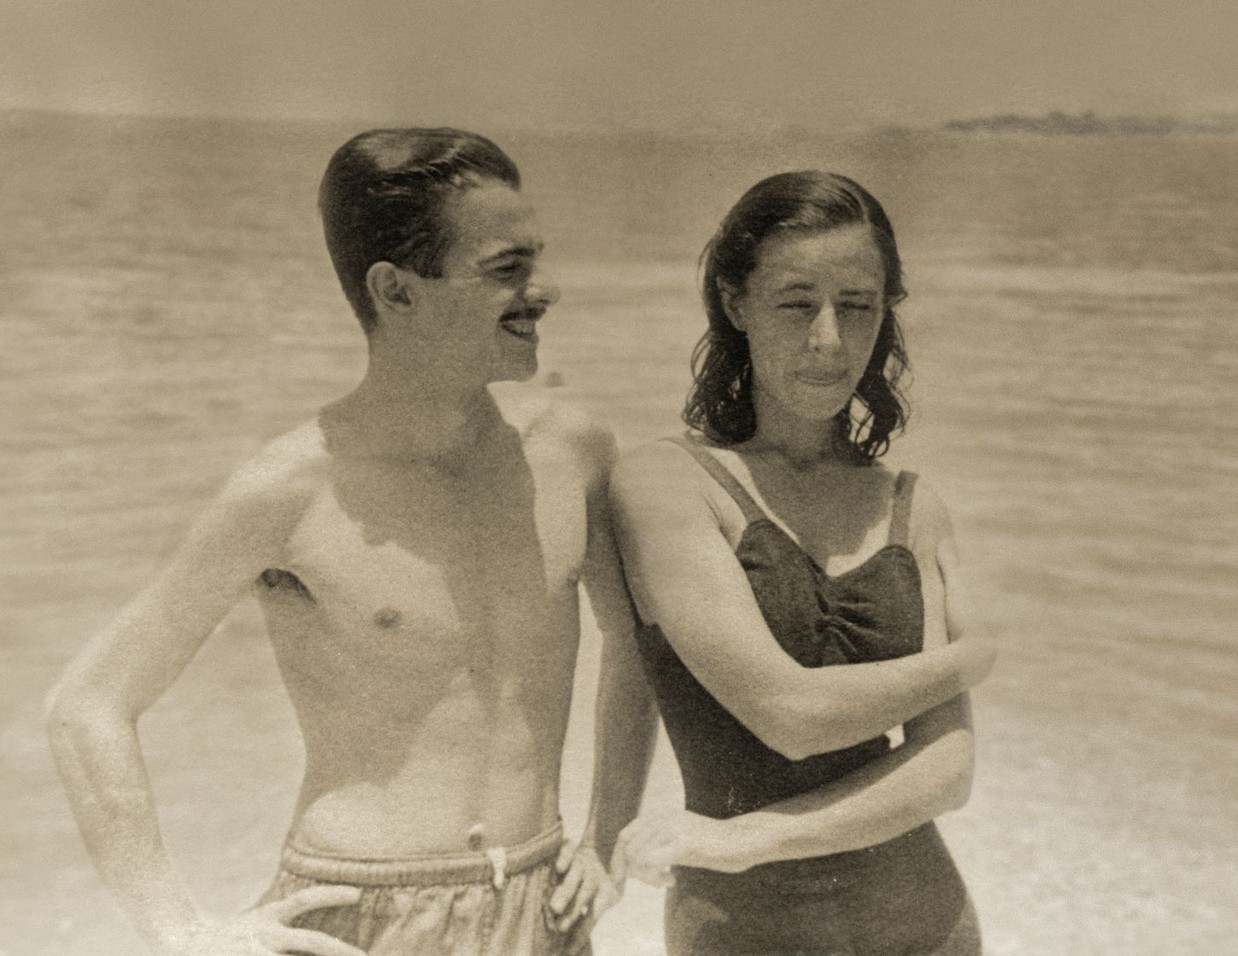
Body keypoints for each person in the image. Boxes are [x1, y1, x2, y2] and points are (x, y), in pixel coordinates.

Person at [45, 128, 657, 956]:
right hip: (363, 917)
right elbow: (88, 707)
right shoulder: (289, 490)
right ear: (397, 292)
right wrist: (179, 930)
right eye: (505, 269)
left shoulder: (571, 451)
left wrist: (609, 829)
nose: (544, 291)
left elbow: (634, 640)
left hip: (544, 914)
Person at [608, 171, 991, 955]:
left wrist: (748, 841)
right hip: (747, 931)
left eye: (858, 306)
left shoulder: (914, 505)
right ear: (734, 302)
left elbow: (948, 773)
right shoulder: (668, 483)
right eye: (795, 303)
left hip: (925, 922)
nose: (829, 340)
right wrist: (973, 658)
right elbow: (790, 716)